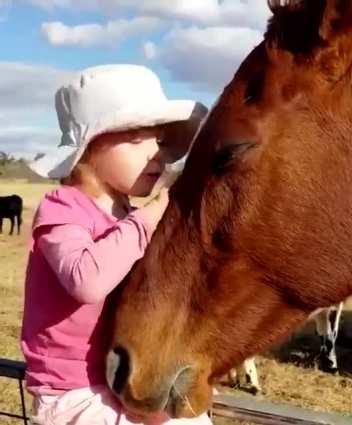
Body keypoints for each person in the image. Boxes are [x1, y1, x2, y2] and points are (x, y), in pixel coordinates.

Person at [21, 64, 210, 425]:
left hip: (129, 375)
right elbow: (86, 281)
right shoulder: (63, 208)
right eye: (138, 137)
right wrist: (148, 220)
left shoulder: (127, 214)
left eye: (159, 139)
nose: (157, 151)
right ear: (90, 146)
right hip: (74, 390)